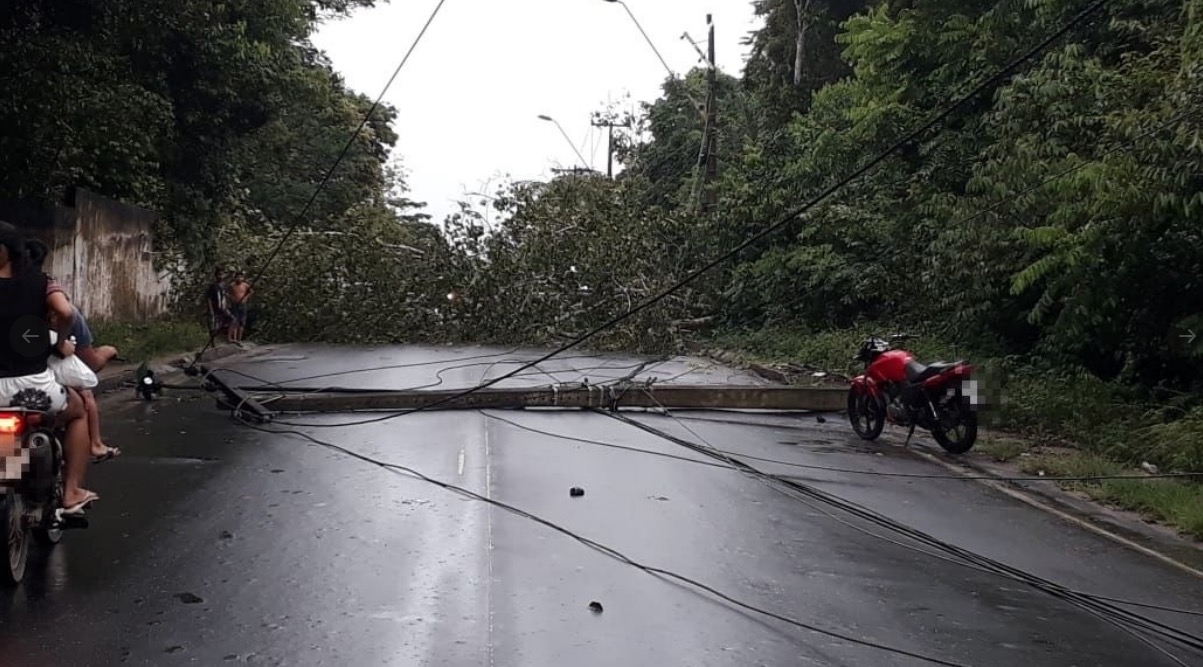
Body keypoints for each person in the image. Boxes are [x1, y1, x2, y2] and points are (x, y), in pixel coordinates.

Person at [0, 223, 97, 514]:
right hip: (33, 388)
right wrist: (61, 340)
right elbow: (65, 311)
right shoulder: (42, 282)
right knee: (79, 409)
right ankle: (71, 491)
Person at [48, 306, 120, 463]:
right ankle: (94, 445)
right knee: (83, 404)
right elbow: (85, 371)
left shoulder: (19, 323)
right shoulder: (63, 320)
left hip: (9, 389)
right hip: (39, 388)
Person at [227, 271, 253, 345]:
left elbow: (251, 292)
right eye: (237, 277)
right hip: (235, 305)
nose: (239, 278)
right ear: (235, 278)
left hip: (243, 305)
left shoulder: (245, 285)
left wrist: (245, 298)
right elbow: (227, 294)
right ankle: (233, 339)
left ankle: (239, 339)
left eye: (240, 277)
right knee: (235, 321)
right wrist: (232, 299)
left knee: (242, 322)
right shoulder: (232, 285)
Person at [206, 268, 230, 337]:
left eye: (222, 274)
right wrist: (211, 309)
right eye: (219, 274)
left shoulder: (225, 285)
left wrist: (227, 305)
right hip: (215, 308)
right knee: (214, 325)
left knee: (231, 319)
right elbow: (209, 298)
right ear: (216, 276)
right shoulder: (213, 286)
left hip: (223, 307)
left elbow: (226, 296)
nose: (221, 276)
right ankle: (213, 339)